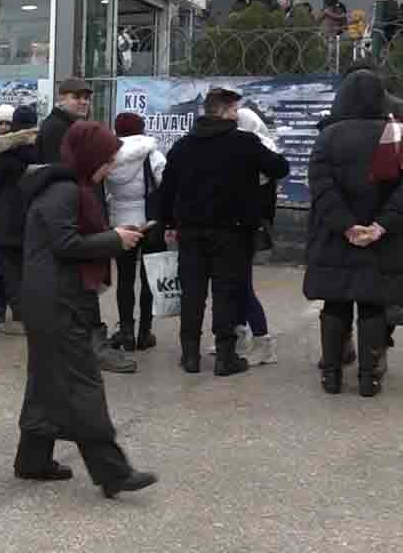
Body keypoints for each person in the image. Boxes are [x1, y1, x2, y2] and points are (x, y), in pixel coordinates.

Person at [15, 121, 157, 499]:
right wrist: (114, 239)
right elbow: (65, 243)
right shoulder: (63, 191)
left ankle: (32, 460)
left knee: (46, 381)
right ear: (91, 157)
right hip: (56, 300)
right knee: (83, 385)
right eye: (108, 160)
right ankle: (112, 472)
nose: (111, 168)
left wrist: (117, 233)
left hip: (50, 298)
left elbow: (69, 239)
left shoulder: (64, 186)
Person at [306, 70, 403, 396]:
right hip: (381, 241)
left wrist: (346, 226)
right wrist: (381, 225)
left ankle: (331, 377)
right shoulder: (397, 134)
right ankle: (369, 379)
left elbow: (321, 187)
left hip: (335, 238)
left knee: (335, 305)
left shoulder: (328, 136)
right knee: (373, 307)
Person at [160, 88, 290, 376]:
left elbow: (166, 190)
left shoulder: (183, 146)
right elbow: (280, 167)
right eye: (234, 110)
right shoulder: (245, 143)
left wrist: (168, 223)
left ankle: (190, 355)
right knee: (226, 292)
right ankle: (225, 357)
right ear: (223, 111)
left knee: (192, 293)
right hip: (233, 233)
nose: (237, 115)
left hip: (191, 232)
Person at [36, 78, 137, 372]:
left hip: (80, 211)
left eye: (86, 97)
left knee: (84, 284)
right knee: (82, 282)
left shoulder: (68, 126)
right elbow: (66, 174)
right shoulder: (57, 129)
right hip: (73, 216)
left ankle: (86, 343)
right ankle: (92, 346)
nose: (83, 102)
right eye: (76, 97)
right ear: (61, 98)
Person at [103, 112, 166, 352]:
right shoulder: (153, 155)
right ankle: (145, 332)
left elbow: (107, 192)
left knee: (125, 279)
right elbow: (164, 185)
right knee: (148, 279)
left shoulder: (110, 158)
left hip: (121, 224)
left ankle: (126, 332)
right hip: (150, 223)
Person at [0, 105, 39, 337]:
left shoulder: (5, 154)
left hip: (8, 219)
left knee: (11, 270)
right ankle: (35, 314)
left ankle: (20, 319)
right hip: (36, 218)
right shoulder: (42, 150)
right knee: (30, 270)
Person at [235, 108, 280, 364]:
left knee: (241, 282)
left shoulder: (259, 152)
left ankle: (263, 340)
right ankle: (240, 334)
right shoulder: (263, 148)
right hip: (244, 225)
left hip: (247, 226)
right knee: (236, 280)